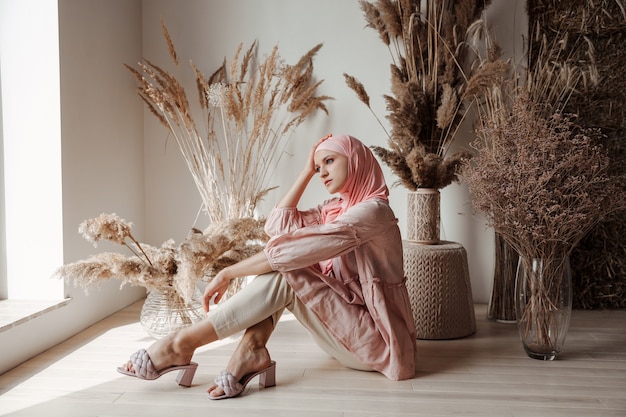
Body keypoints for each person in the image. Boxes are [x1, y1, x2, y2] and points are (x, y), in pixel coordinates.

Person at [118, 134, 417, 399]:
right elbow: (277, 226)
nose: (321, 172)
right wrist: (304, 172)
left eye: (329, 161)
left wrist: (228, 272)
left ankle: (183, 343)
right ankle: (251, 350)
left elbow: (286, 252)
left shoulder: (373, 212)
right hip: (348, 330)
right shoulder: (335, 209)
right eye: (317, 167)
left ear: (355, 161)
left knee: (287, 269)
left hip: (378, 343)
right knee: (286, 266)